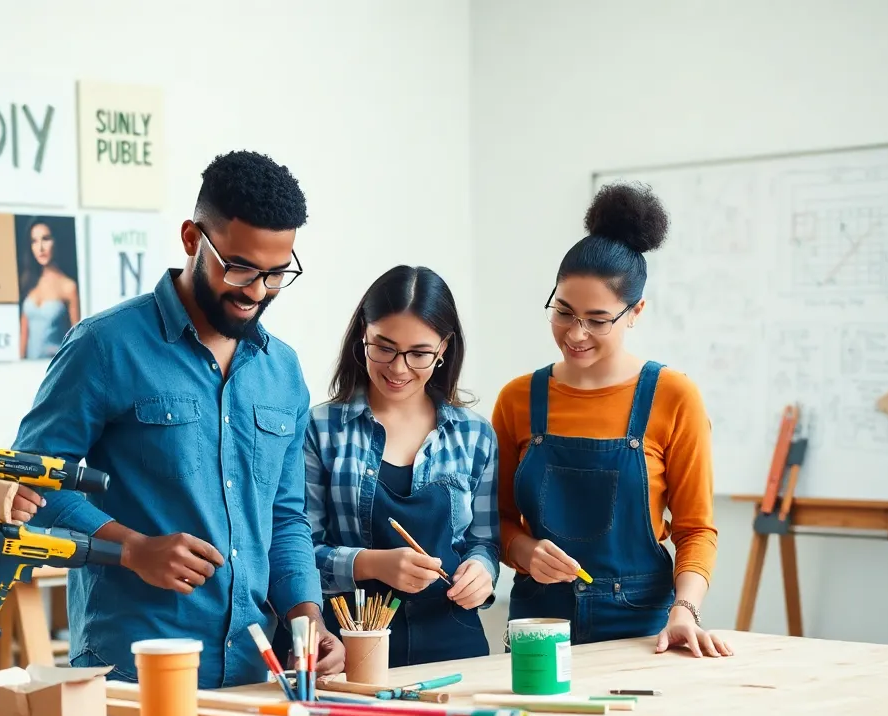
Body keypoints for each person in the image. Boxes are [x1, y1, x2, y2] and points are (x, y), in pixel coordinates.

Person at [6, 150, 344, 688]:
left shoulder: (283, 370)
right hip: (132, 668)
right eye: (240, 268)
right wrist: (133, 548)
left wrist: (308, 616)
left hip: (253, 672)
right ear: (192, 239)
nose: (256, 292)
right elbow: (32, 483)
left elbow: (284, 518)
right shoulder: (105, 346)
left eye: (277, 274)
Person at [493, 182, 732, 658]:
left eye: (597, 319)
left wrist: (685, 609)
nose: (575, 333)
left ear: (635, 312)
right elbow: (493, 521)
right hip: (541, 623)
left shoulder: (673, 396)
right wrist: (524, 553)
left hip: (644, 629)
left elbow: (696, 529)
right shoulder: (518, 398)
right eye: (563, 311)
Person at [305, 265, 499, 667]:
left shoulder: (475, 435)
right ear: (363, 333)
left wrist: (482, 571)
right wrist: (373, 564)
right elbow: (296, 551)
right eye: (384, 347)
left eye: (419, 353)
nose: (397, 368)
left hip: (453, 642)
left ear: (444, 348)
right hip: (350, 644)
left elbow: (484, 541)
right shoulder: (320, 429)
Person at [19, 218, 81, 359]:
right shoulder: (28, 283)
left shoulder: (68, 287)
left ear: (55, 241)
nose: (40, 248)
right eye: (34, 241)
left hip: (55, 368)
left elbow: (77, 341)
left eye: (45, 239)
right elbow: (23, 337)